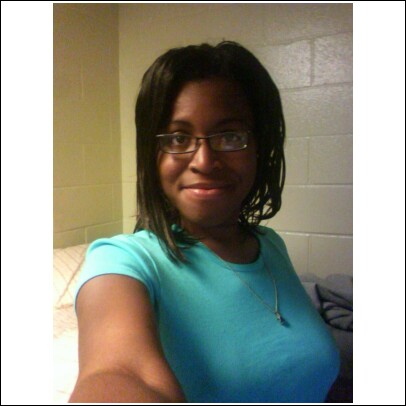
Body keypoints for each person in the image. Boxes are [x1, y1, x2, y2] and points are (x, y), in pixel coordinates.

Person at [69, 41, 340, 403]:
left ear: (260, 147)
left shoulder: (270, 244)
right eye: (178, 138)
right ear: (153, 155)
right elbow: (116, 374)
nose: (204, 161)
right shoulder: (124, 261)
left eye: (230, 136)